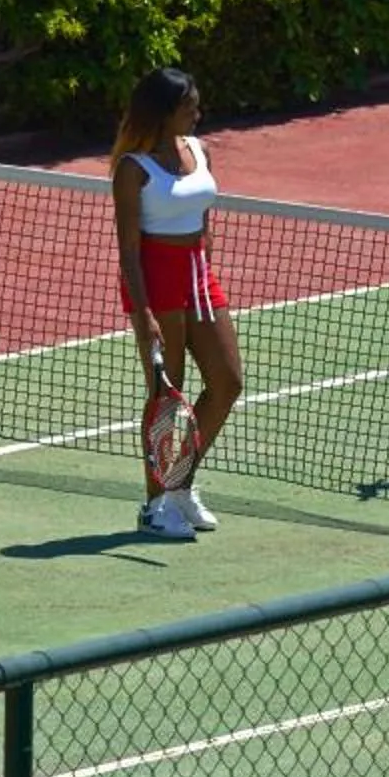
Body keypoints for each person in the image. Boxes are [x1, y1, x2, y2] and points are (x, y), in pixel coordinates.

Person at [110, 64, 243, 540]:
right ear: (164, 113)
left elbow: (203, 209)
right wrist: (143, 312)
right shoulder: (133, 169)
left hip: (197, 276)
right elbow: (128, 249)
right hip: (155, 282)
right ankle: (154, 506)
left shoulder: (200, 150)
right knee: (167, 396)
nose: (198, 113)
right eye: (188, 107)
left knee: (227, 382)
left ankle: (180, 484)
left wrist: (204, 244)